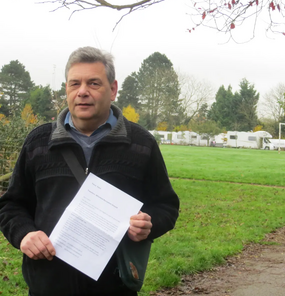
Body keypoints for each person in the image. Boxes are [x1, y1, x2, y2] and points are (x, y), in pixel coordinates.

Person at [0, 46, 180, 296]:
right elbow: (10, 205)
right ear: (66, 89)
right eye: (75, 84)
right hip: (47, 287)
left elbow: (166, 206)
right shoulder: (38, 142)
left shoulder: (141, 144)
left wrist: (149, 224)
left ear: (113, 89)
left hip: (114, 288)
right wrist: (24, 235)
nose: (82, 92)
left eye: (93, 83)